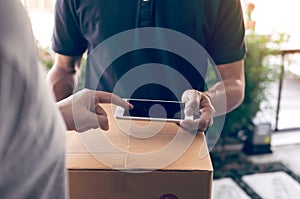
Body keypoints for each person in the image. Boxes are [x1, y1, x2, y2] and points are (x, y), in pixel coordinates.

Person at [47, 0, 246, 132]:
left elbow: (233, 80)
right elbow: (64, 68)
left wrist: (209, 100)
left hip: (183, 139)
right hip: (101, 135)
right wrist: (54, 127)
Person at [0, 0, 131, 199]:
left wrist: (56, 115)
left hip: (188, 142)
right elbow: (64, 67)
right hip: (101, 150)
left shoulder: (9, 16)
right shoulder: (7, 18)